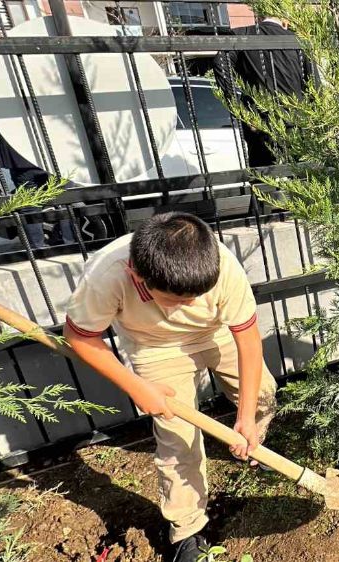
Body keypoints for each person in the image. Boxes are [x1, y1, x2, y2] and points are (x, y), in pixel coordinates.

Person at [64, 212, 277, 561]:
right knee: (178, 440)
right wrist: (135, 386)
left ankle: (254, 445)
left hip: (215, 332)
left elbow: (249, 342)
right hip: (154, 346)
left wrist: (247, 417)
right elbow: (80, 336)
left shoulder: (223, 265)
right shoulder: (108, 274)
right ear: (138, 276)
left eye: (197, 295)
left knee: (263, 394)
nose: (190, 305)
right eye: (178, 300)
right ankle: (187, 530)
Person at [212, 15, 317, 168]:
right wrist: (316, 119)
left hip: (258, 120)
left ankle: (265, 190)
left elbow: (220, 63)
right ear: (284, 20)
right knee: (302, 175)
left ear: (260, 16)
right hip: (296, 120)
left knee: (263, 175)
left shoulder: (242, 35)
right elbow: (314, 84)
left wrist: (239, 109)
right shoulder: (298, 41)